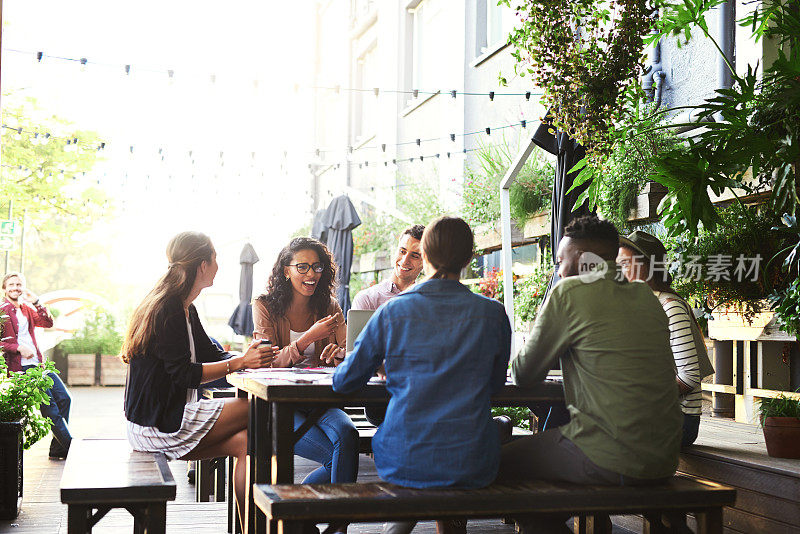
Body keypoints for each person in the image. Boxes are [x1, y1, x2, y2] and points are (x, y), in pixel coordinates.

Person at [498, 216, 682, 534]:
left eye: (560, 263)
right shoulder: (646, 298)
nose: (558, 271)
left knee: (496, 464)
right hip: (664, 457)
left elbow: (524, 375)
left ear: (583, 261)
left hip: (609, 455)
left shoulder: (570, 292)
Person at [333, 216, 512, 534]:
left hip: (404, 457)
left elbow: (344, 381)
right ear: (471, 259)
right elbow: (495, 384)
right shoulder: (494, 313)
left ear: (424, 257)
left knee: (417, 475)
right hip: (471, 460)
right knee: (499, 429)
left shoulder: (392, 311)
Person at [122, 231, 275, 525]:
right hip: (156, 424)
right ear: (202, 265)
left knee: (247, 443)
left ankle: (249, 528)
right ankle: (275, 514)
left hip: (160, 418)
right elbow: (185, 375)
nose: (218, 264)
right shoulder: (168, 308)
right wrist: (242, 363)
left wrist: (249, 357)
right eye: (215, 257)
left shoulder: (184, 307)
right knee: (257, 411)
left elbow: (211, 354)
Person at [253, 237, 358, 534]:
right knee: (335, 455)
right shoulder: (264, 306)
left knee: (348, 435)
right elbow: (266, 361)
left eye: (317, 267)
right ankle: (302, 515)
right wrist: (308, 338)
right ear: (286, 270)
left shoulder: (330, 306)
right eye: (302, 267)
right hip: (281, 406)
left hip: (320, 401)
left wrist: (339, 355)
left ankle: (328, 525)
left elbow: (349, 354)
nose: (311, 274)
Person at [618, 230, 705, 446]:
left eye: (625, 264)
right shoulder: (639, 306)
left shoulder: (669, 306)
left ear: (648, 267)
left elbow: (690, 376)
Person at [1, 272, 70, 459]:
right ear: (4, 288)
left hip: (38, 364)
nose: (15, 288)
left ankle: (58, 449)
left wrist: (37, 302)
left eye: (19, 284)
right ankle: (70, 447)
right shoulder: (2, 310)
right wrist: (18, 348)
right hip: (22, 368)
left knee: (65, 399)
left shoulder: (26, 308)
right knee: (50, 409)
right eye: (11, 285)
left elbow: (48, 323)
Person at [351, 224, 425, 311]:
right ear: (395, 251)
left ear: (425, 261)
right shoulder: (367, 299)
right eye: (402, 251)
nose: (405, 260)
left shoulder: (427, 303)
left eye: (414, 256)